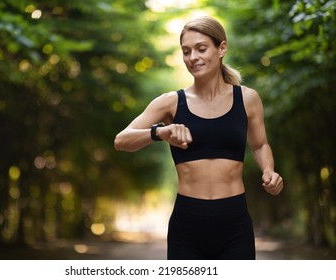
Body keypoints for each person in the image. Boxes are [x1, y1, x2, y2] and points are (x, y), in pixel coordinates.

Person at [114, 15, 283, 260]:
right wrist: (160, 132)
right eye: (186, 51)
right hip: (187, 226)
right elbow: (121, 140)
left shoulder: (247, 99)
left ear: (221, 48)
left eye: (201, 49)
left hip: (235, 224)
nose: (193, 58)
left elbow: (259, 145)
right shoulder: (171, 102)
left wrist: (269, 170)